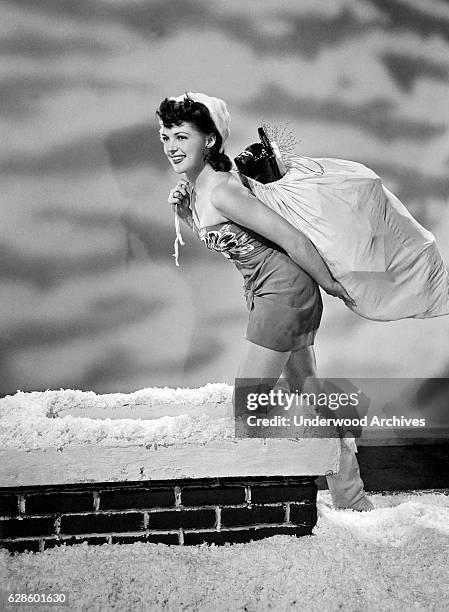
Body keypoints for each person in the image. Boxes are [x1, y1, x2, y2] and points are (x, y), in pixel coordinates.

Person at [157, 92, 373, 511]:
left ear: (211, 141)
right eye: (166, 136)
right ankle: (351, 494)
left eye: (182, 136)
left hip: (285, 295)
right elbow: (231, 242)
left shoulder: (221, 190)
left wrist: (330, 283)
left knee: (246, 411)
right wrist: (187, 216)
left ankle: (269, 502)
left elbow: (292, 238)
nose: (171, 147)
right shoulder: (203, 188)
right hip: (271, 294)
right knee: (306, 389)